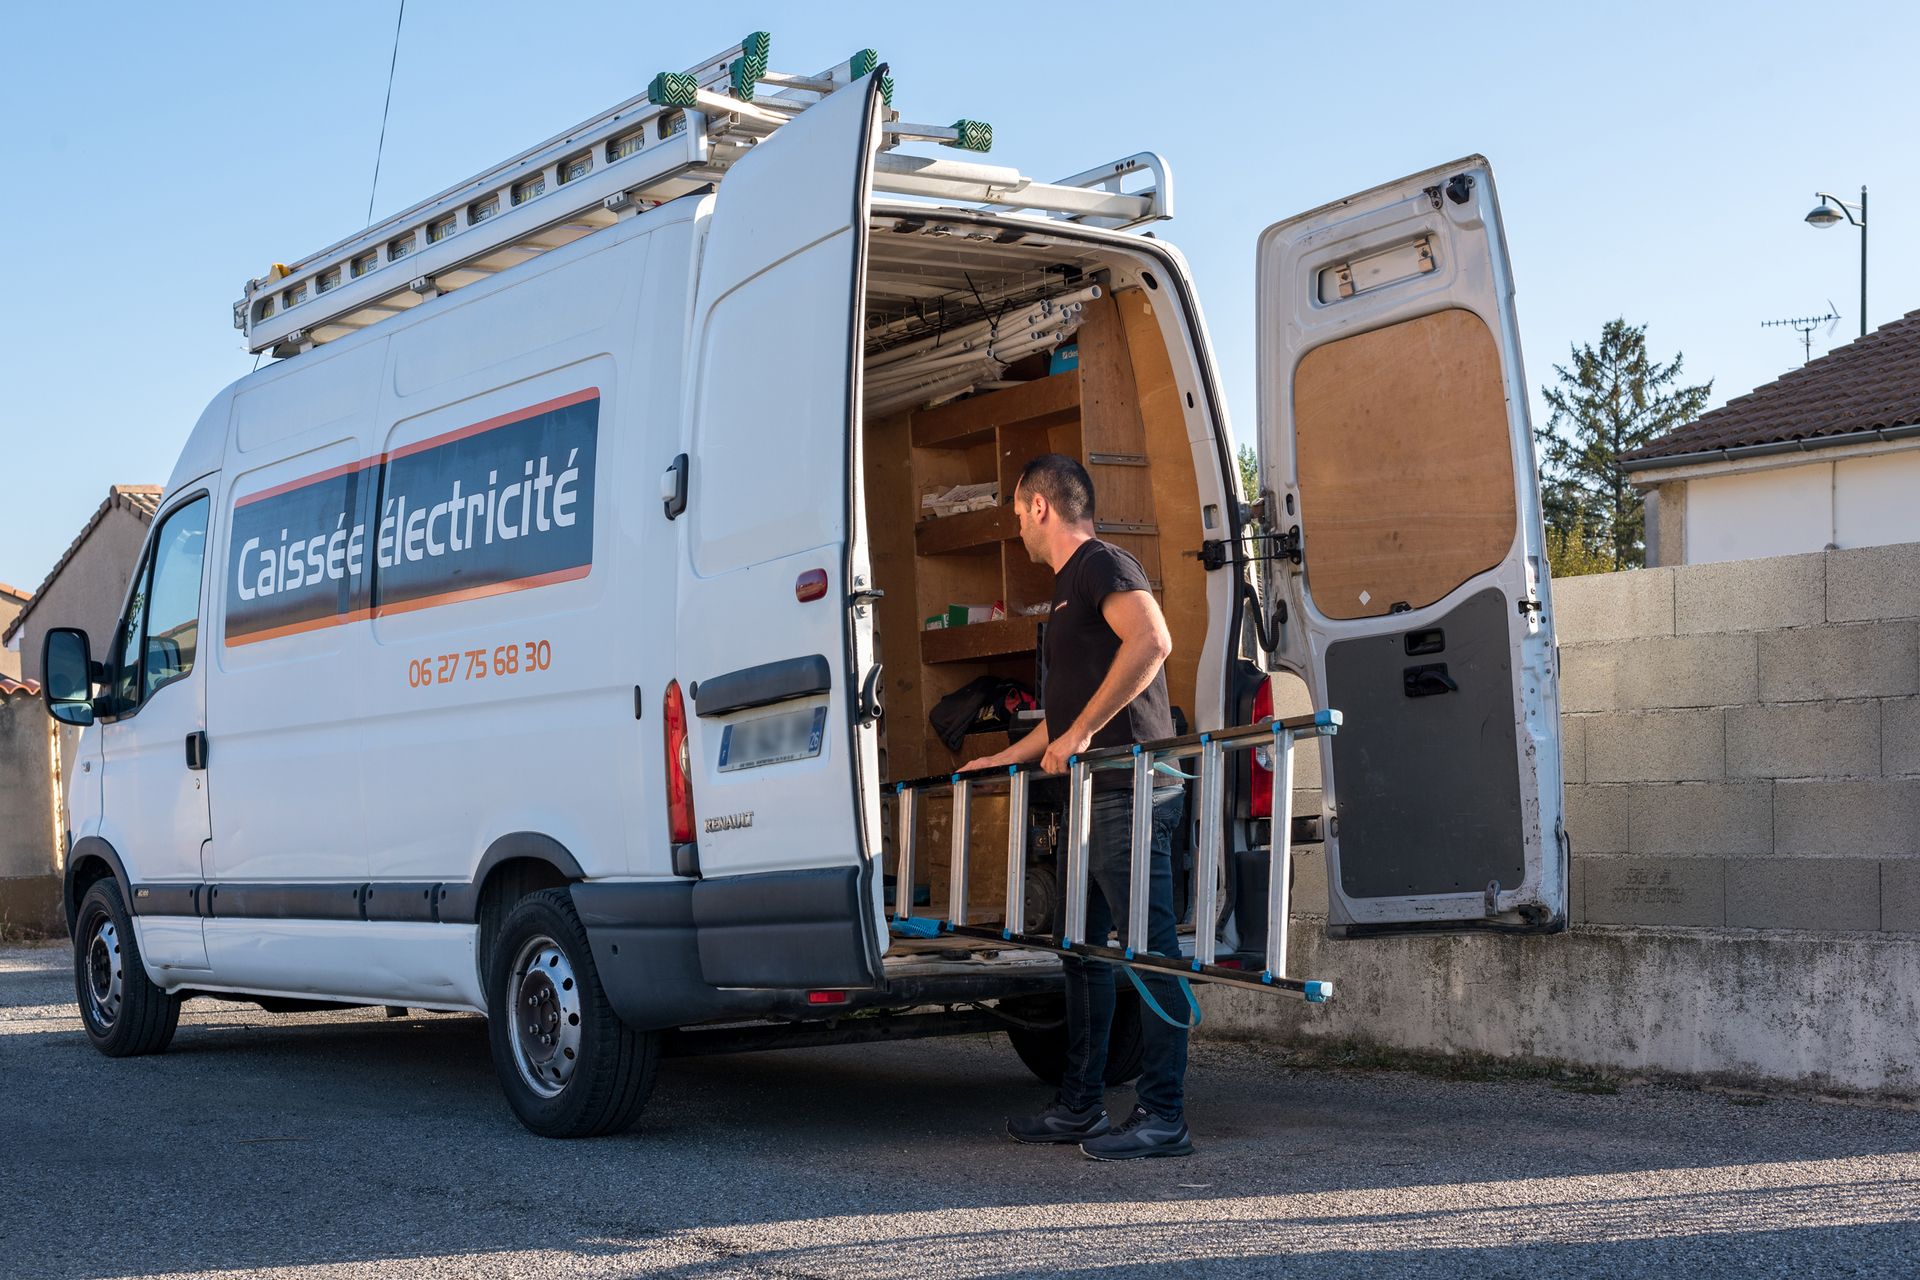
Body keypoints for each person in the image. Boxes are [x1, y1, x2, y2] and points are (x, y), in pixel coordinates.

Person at [958, 453, 1192, 1161]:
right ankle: (1081, 1105)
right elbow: (1063, 717)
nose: (1017, 530)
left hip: (1130, 788)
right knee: (1082, 954)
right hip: (1090, 797)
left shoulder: (1101, 565)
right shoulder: (1067, 593)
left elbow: (1153, 640)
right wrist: (1011, 755)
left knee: (1150, 954)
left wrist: (1085, 734)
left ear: (1037, 507)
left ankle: (1164, 1115)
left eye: (1016, 515)